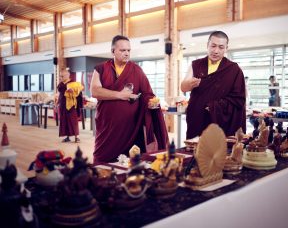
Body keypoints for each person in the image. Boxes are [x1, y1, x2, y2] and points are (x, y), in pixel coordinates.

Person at [90, 35, 168, 165]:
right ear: (113, 51)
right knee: (102, 157)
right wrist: (121, 95)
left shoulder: (136, 70)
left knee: (132, 160)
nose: (126, 53)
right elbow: (95, 91)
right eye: (122, 50)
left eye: (128, 50)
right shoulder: (101, 69)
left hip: (131, 127)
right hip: (107, 126)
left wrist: (150, 102)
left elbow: (147, 93)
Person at [181, 31, 246, 139]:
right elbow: (183, 87)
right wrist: (190, 84)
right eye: (213, 46)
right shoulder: (196, 65)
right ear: (207, 45)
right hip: (198, 117)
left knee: (220, 153)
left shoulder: (234, 69)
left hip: (221, 121)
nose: (216, 51)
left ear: (226, 48)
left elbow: (239, 98)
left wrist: (214, 107)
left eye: (221, 47)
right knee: (196, 152)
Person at [57, 68, 83, 143]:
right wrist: (57, 102)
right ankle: (67, 137)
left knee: (73, 121)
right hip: (62, 105)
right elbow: (60, 94)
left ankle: (76, 137)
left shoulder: (74, 83)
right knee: (64, 121)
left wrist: (73, 91)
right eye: (60, 76)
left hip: (71, 105)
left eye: (62, 76)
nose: (61, 78)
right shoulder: (61, 84)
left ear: (68, 75)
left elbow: (79, 92)